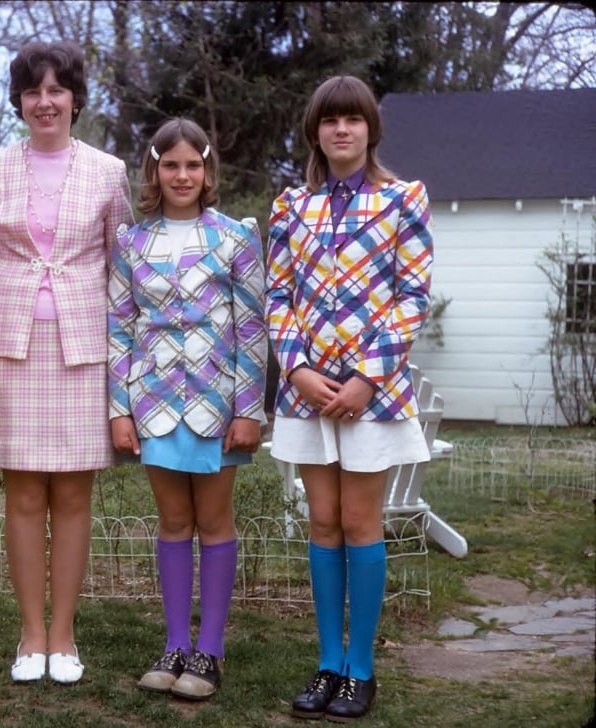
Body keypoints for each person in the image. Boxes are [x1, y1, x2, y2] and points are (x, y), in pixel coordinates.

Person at [0, 40, 134, 684]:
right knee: (25, 495)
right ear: (20, 101)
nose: (45, 102)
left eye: (57, 89)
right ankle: (31, 636)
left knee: (74, 496)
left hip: (83, 350)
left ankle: (65, 636)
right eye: (33, 91)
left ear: (75, 98)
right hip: (11, 347)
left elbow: (124, 274)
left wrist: (128, 360)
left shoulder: (109, 172)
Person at [266, 76, 433, 722]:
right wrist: (298, 370)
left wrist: (367, 378)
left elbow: (411, 296)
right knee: (323, 521)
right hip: (309, 394)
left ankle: (360, 668)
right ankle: (328, 662)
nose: (341, 129)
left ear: (370, 129)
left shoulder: (401, 200)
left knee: (361, 523)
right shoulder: (292, 208)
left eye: (353, 119)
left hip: (373, 395)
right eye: (330, 120)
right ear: (315, 131)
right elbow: (278, 296)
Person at [108, 119, 268, 701]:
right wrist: (119, 409)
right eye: (170, 165)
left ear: (207, 170)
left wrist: (249, 409)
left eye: (192, 165)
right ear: (154, 170)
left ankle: (210, 650)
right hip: (153, 402)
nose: (182, 176)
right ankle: (175, 643)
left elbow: (252, 327)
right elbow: (119, 327)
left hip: (217, 403)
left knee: (214, 520)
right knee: (173, 521)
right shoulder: (131, 242)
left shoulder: (235, 237)